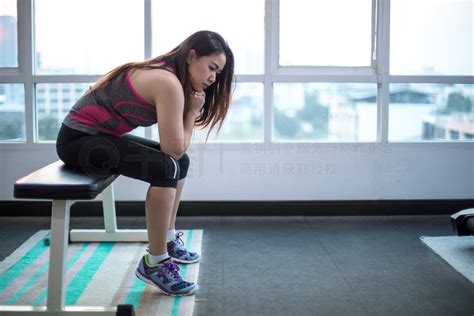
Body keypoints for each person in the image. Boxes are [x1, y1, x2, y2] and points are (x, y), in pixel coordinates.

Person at [55, 30, 234, 296]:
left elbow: (176, 153)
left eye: (218, 73)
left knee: (179, 164)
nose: (213, 78)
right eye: (211, 68)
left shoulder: (171, 76)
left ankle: (168, 238)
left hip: (98, 136)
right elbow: (172, 148)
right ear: (192, 56)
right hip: (77, 141)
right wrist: (192, 114)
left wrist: (189, 113)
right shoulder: (167, 82)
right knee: (166, 166)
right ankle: (155, 262)